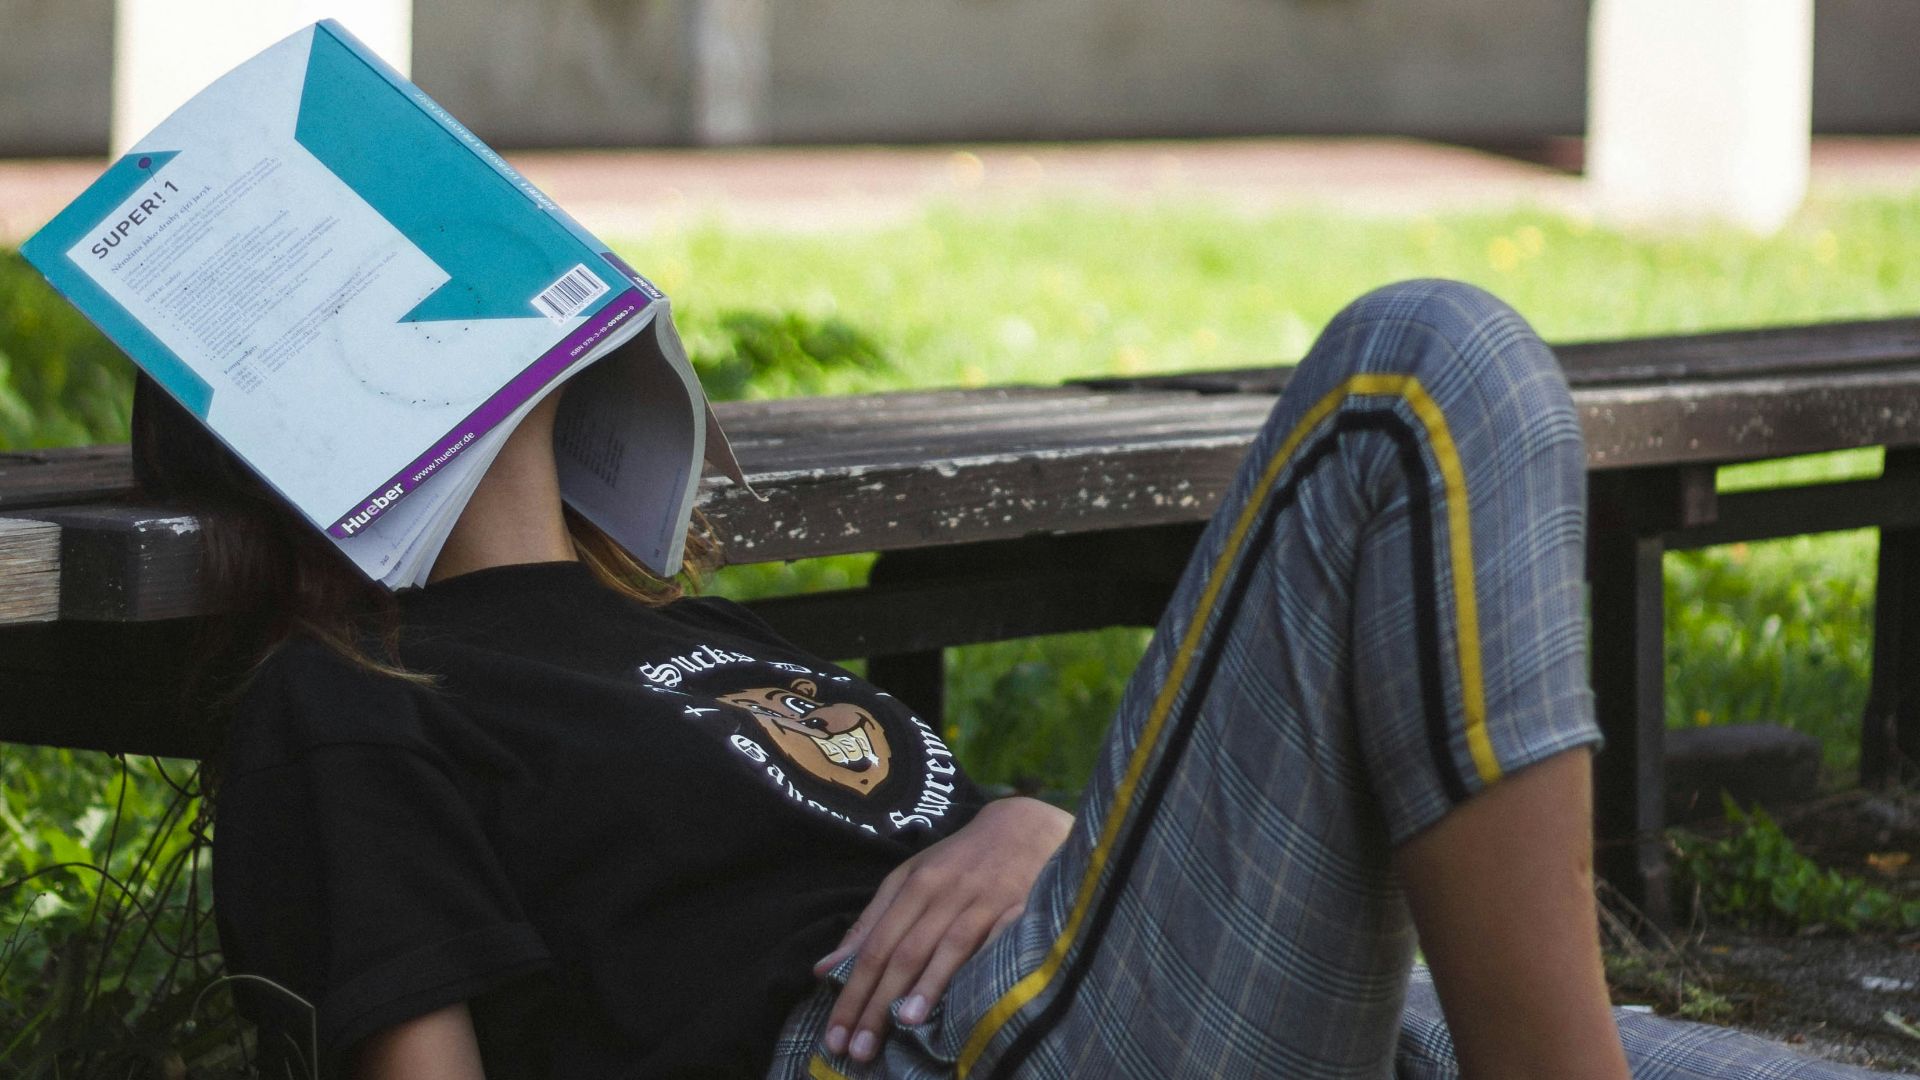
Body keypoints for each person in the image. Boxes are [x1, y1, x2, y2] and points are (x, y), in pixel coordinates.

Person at [138, 280, 1880, 1079]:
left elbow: (924, 844)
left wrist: (1035, 825)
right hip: (939, 1056)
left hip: (1144, 996)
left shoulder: (684, 629)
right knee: (1424, 371)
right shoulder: (345, 694)